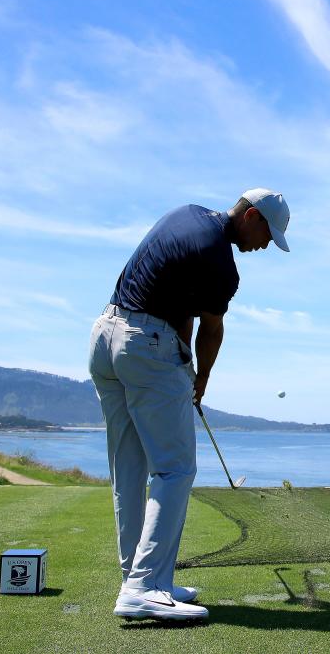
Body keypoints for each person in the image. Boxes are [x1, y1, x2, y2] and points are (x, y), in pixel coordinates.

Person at [88, 188, 290, 621]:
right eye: (268, 235)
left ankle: (143, 579)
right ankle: (143, 587)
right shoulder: (221, 262)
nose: (265, 246)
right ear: (251, 216)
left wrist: (183, 372)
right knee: (175, 469)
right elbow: (208, 330)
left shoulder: (187, 214)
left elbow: (176, 305)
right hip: (144, 347)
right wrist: (199, 380)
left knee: (129, 470)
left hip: (105, 336)